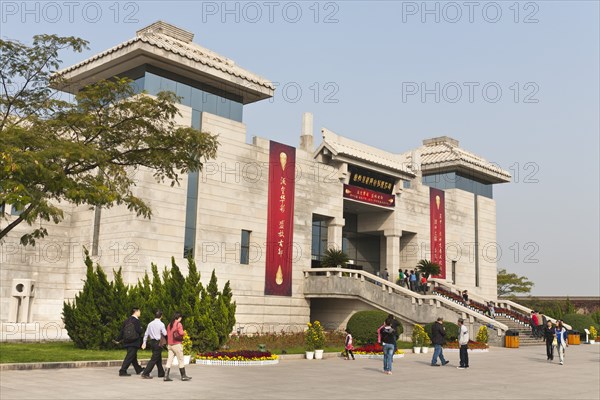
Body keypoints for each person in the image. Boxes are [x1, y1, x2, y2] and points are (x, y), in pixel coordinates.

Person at [164, 312, 192, 382]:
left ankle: (166, 376)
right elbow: (181, 333)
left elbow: (167, 333)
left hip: (170, 344)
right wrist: (184, 333)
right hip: (176, 344)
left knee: (169, 360)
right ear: (179, 317)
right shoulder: (178, 324)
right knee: (181, 359)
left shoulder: (169, 324)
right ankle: (183, 376)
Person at [141, 310, 167, 379]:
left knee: (158, 358)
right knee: (154, 359)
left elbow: (146, 334)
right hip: (158, 343)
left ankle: (161, 373)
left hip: (152, 342)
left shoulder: (150, 324)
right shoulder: (161, 324)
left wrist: (144, 342)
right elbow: (165, 333)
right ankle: (145, 373)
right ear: (161, 316)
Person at [118, 307, 144, 377]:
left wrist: (118, 339)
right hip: (134, 341)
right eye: (139, 311)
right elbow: (139, 331)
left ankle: (138, 369)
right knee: (130, 356)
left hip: (127, 341)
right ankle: (122, 370)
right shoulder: (136, 321)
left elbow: (122, 331)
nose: (140, 313)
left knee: (133, 356)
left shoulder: (126, 320)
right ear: (136, 311)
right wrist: (141, 329)